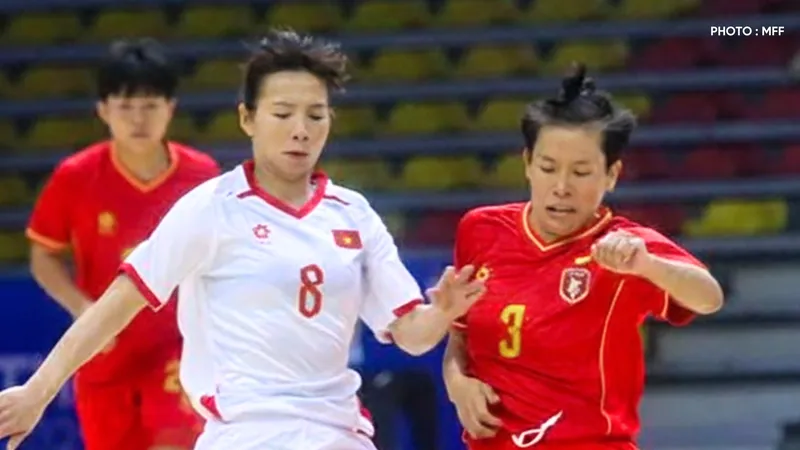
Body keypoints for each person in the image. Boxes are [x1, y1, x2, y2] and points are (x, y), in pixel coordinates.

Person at [0, 30, 485, 450]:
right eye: (283, 113)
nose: (301, 130)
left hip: (339, 433)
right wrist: (38, 390)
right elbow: (119, 302)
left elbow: (412, 335)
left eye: (316, 115)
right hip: (245, 432)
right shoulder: (211, 206)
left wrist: (442, 314)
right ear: (247, 119)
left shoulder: (353, 213)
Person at [442, 64, 724, 450]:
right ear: (527, 163)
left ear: (611, 174)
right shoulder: (480, 229)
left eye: (581, 172)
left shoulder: (625, 246)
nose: (561, 187)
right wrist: (456, 383)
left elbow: (709, 298)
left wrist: (648, 266)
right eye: (548, 167)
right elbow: (460, 334)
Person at [23, 39, 220, 450]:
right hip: (102, 348)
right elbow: (44, 254)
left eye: (150, 105)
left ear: (171, 107)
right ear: (103, 109)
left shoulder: (203, 176)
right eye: (126, 106)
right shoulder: (75, 177)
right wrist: (81, 307)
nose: (138, 119)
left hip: (176, 346)